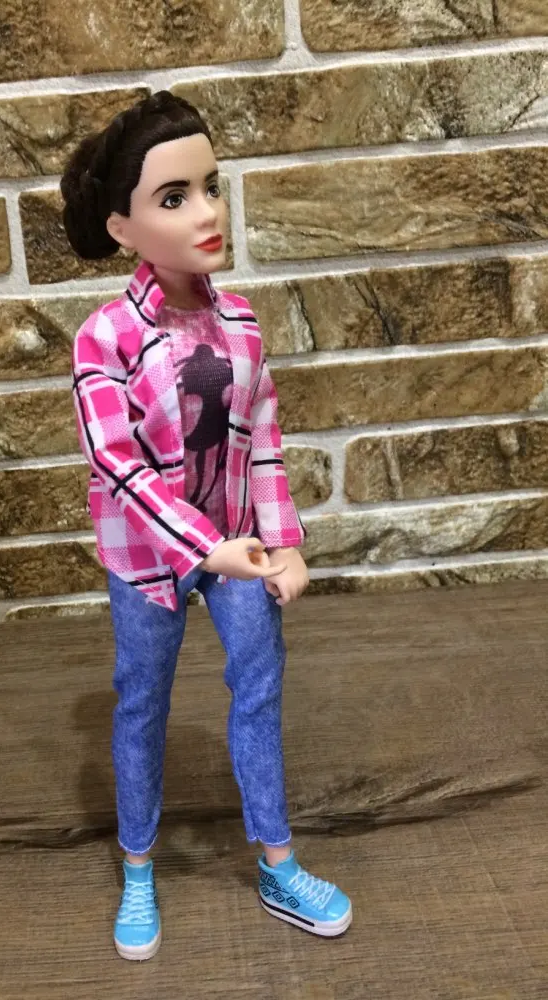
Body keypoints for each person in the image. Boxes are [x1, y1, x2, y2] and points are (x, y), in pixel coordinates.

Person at [60, 90, 352, 961]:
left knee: (260, 685)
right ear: (123, 227)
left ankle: (277, 861)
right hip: (150, 558)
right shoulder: (104, 338)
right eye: (174, 196)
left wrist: (282, 540)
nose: (207, 212)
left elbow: (263, 437)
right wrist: (205, 547)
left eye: (211, 186)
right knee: (142, 703)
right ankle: (138, 866)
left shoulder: (241, 325)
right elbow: (119, 466)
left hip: (240, 544)